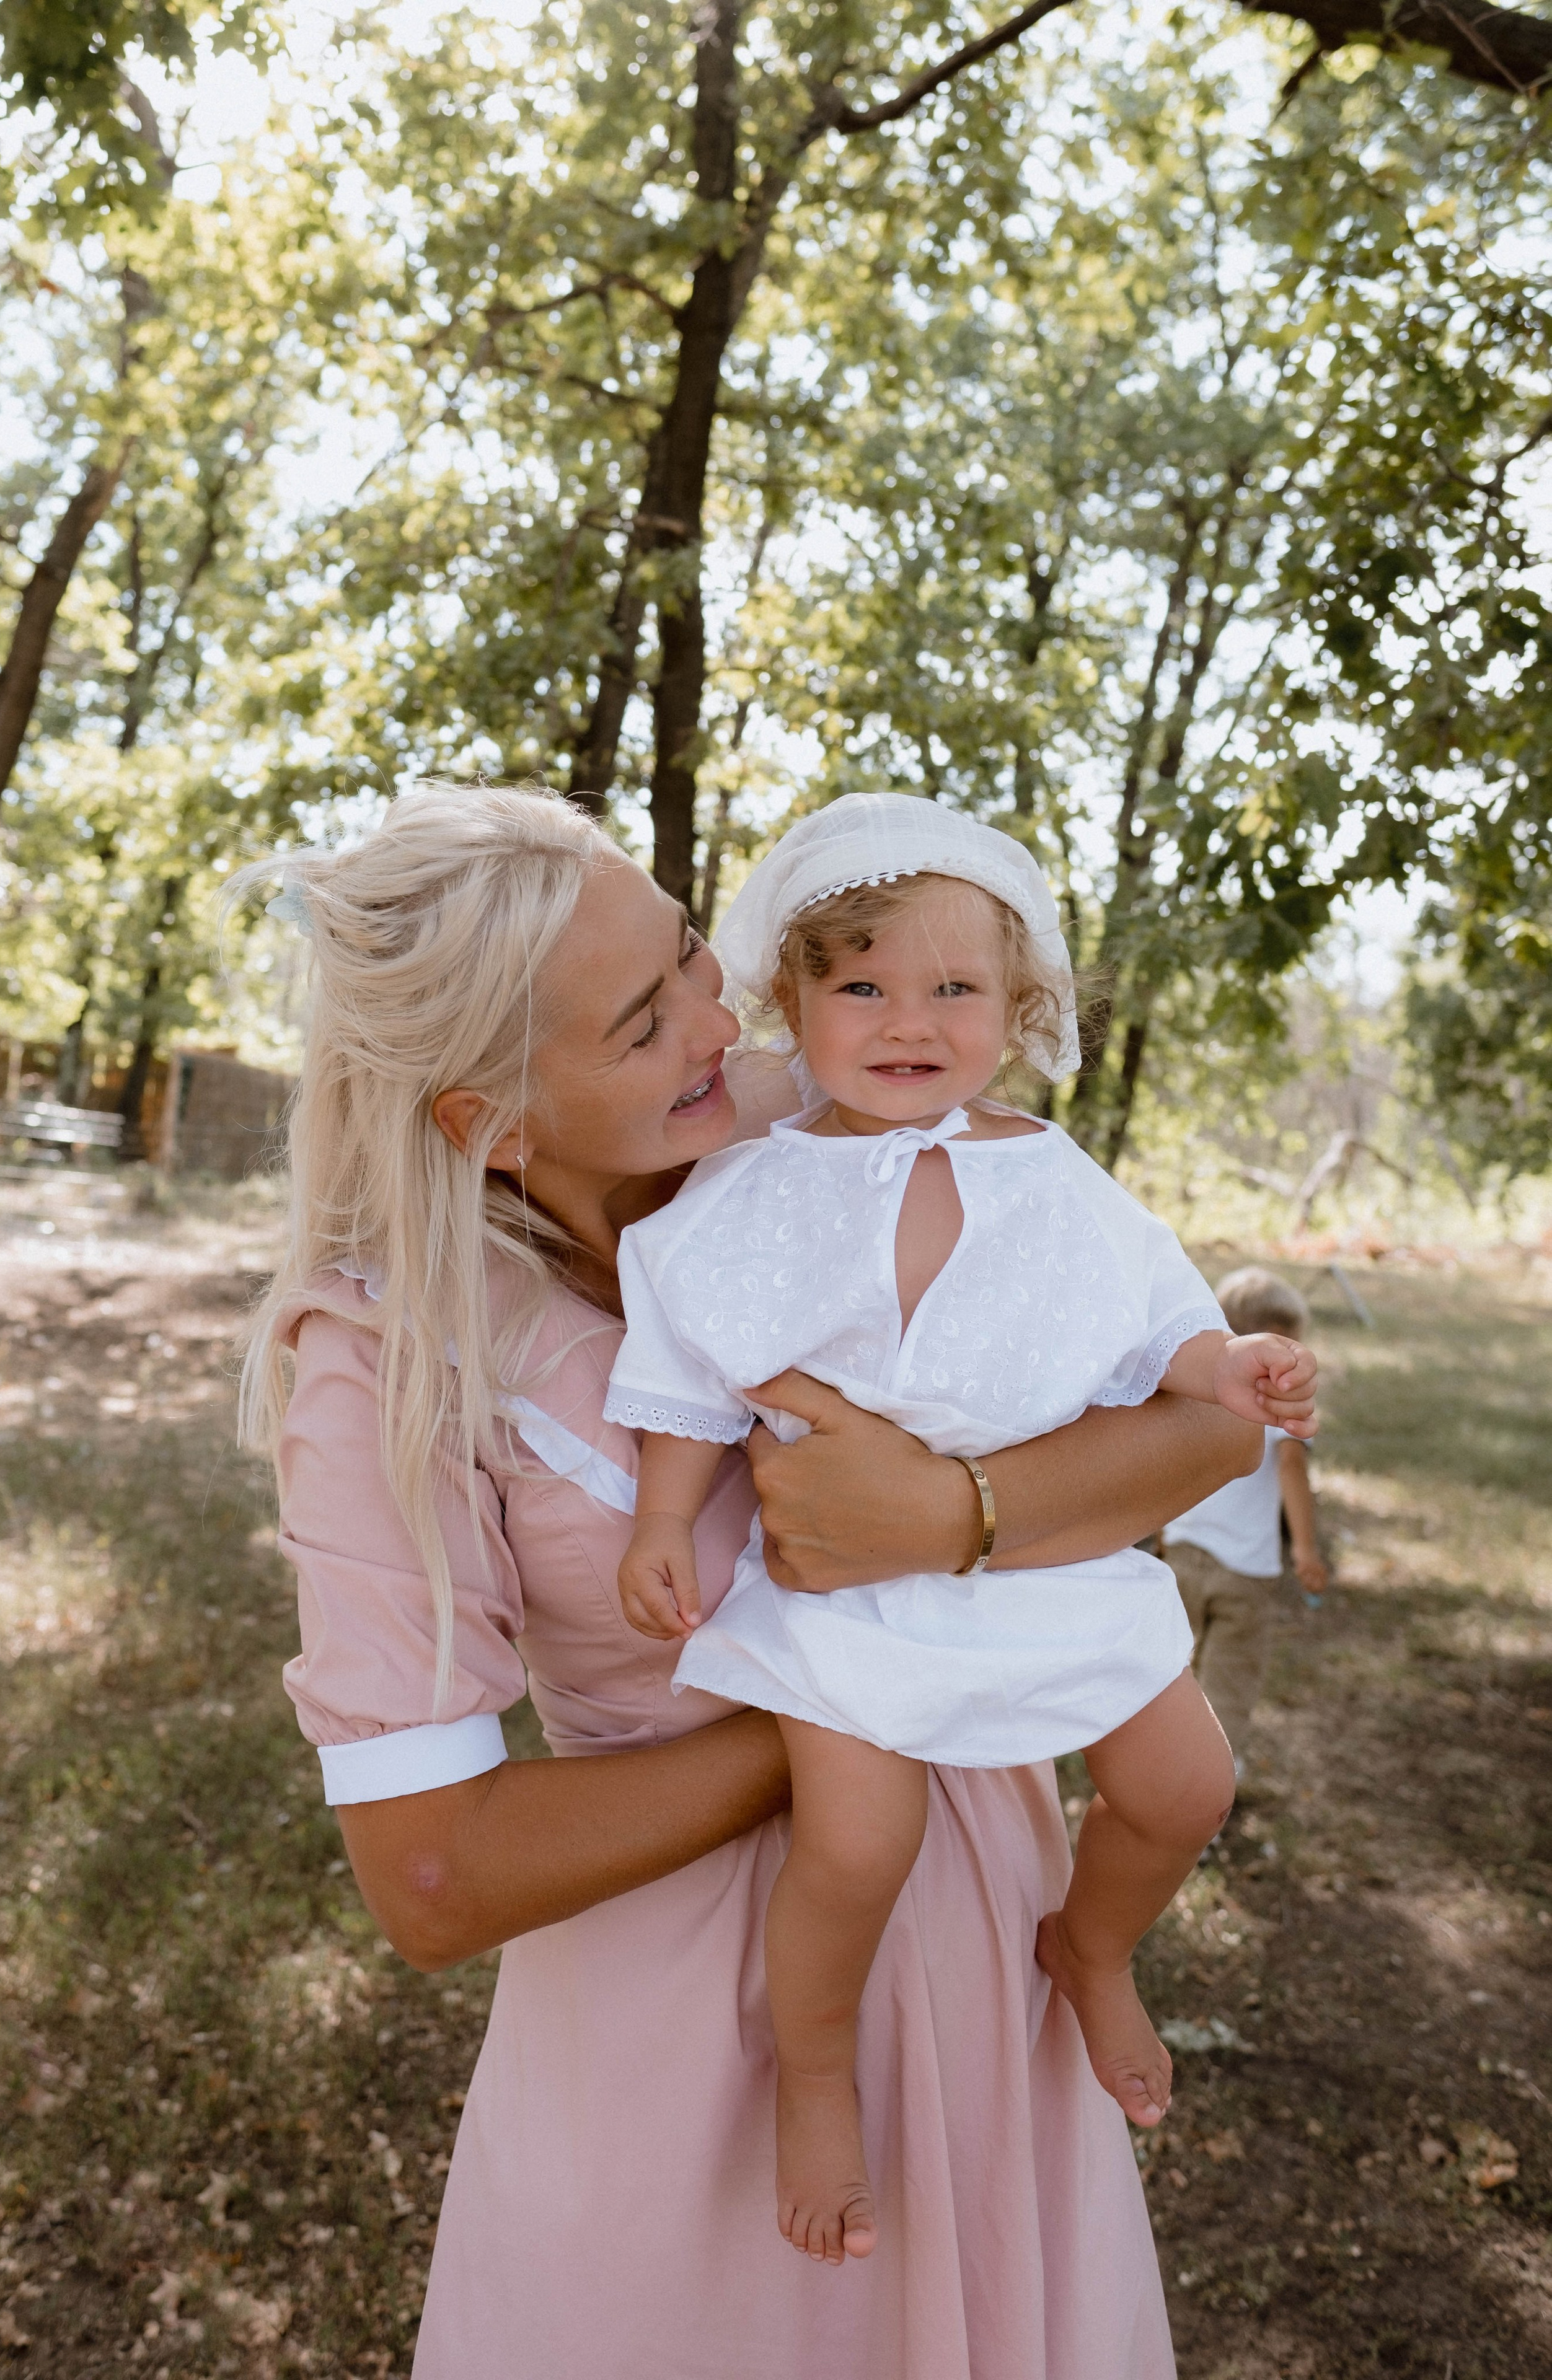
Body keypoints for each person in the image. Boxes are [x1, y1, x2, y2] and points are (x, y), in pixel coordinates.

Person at [239, 783, 1262, 2379]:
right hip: (689, 2029)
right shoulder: (387, 1361)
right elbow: (426, 1875)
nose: (722, 1016)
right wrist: (846, 1708)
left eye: (693, 955)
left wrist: (953, 1516)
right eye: (646, 1018)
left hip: (994, 1940)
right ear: (491, 1117)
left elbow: (1195, 1416)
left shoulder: (832, 1113)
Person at [609, 794, 1317, 2264]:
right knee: (862, 1838)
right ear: (789, 1000)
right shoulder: (749, 1185)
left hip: (1034, 1560)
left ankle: (1092, 1940)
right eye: (860, 982)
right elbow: (688, 1361)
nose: (905, 1018)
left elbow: (1153, 1313)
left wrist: (1222, 1368)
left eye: (953, 988)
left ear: (1019, 1006)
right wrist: (665, 1517)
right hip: (845, 1588)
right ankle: (814, 2072)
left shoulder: (1046, 1175)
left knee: (1185, 1781)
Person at [1163, 1266, 1328, 1780]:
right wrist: (1305, 1549)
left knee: (1171, 1671)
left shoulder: (1192, 1396)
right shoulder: (1277, 1406)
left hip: (1182, 1554)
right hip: (1246, 1570)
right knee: (1229, 1682)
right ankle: (1210, 1785)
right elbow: (1291, 1467)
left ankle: (1160, 1769)